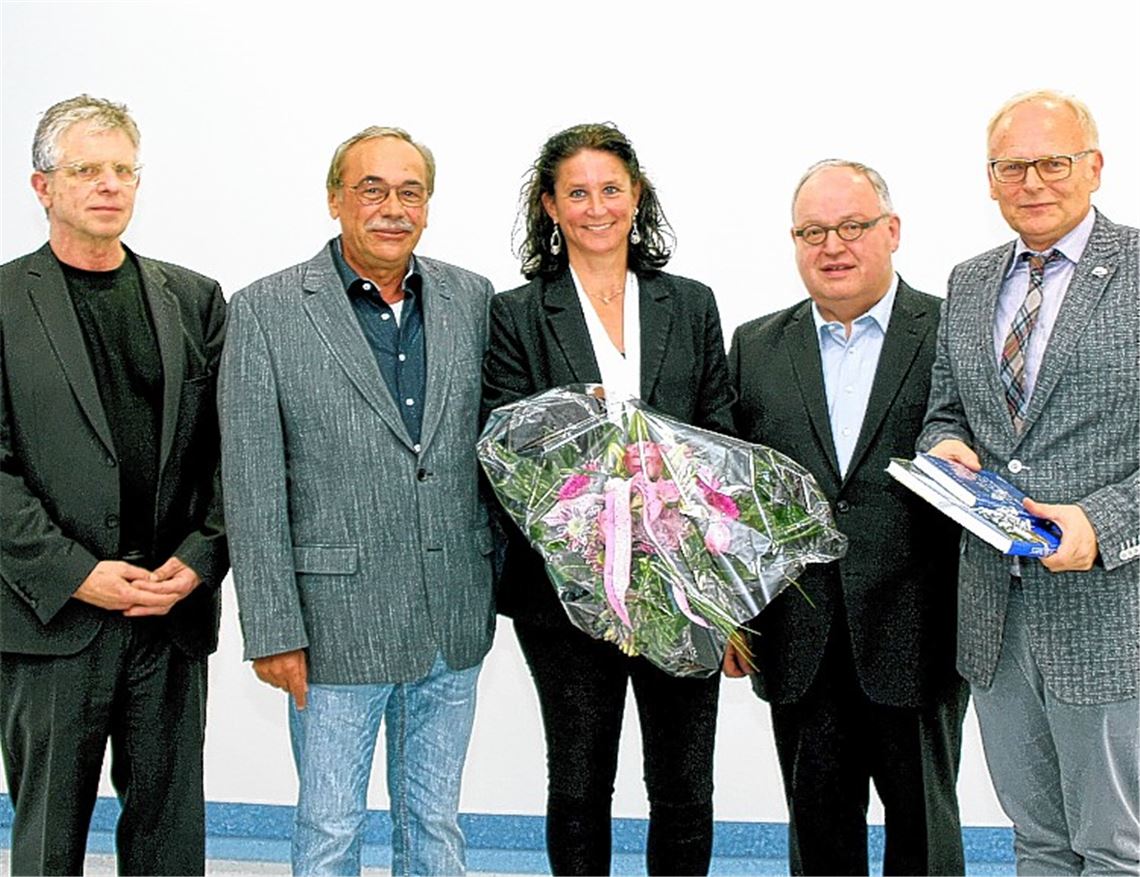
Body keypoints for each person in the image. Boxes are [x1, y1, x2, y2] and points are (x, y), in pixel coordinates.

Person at [219, 126, 495, 876]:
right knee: (330, 828)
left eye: (411, 191)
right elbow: (250, 483)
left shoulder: (472, 299)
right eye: (372, 188)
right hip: (333, 627)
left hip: (451, 616)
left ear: (429, 206)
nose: (392, 207)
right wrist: (272, 626)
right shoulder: (266, 310)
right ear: (336, 197)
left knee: (435, 827)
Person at [481, 122, 735, 876]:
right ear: (551, 208)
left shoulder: (689, 303)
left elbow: (719, 424)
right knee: (581, 783)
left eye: (611, 189)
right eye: (578, 193)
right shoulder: (518, 313)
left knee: (684, 787)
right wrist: (587, 505)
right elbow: (505, 445)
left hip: (684, 585)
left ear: (638, 195)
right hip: (564, 592)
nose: (597, 207)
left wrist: (674, 479)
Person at [0, 95, 227, 875]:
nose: (109, 185)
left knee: (169, 841)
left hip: (170, 613)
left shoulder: (194, 299)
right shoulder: (1, 302)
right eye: (87, 169)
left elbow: (227, 458)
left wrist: (200, 557)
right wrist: (78, 573)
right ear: (42, 186)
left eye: (123, 169)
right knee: (46, 845)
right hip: (54, 618)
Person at [724, 160, 970, 875]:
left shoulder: (951, 331)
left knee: (925, 838)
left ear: (891, 232)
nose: (833, 246)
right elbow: (738, 497)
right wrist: (734, 611)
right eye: (812, 231)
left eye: (852, 227)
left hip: (920, 631)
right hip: (799, 633)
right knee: (819, 836)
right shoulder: (757, 345)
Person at [919, 90, 1139, 874]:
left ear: (1095, 167)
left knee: (1116, 847)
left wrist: (1103, 524)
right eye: (1014, 166)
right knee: (1038, 841)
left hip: (1110, 612)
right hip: (995, 614)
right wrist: (943, 443)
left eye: (1055, 162)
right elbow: (945, 407)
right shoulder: (971, 281)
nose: (1034, 181)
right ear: (990, 179)